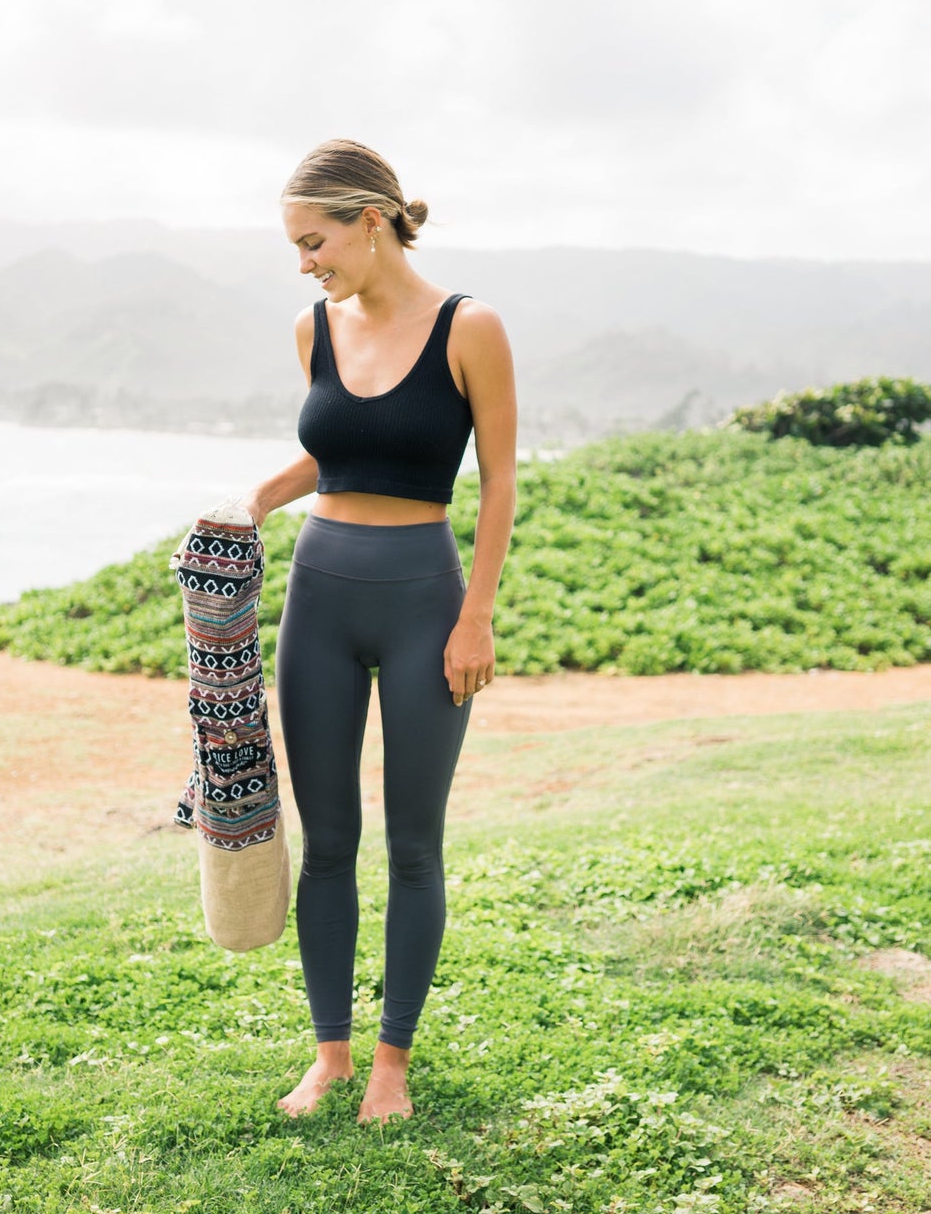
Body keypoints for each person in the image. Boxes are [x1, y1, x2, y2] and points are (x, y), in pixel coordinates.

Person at [237, 139, 518, 1123]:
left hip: (423, 604)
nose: (303, 263)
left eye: (312, 241)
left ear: (369, 221)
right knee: (329, 841)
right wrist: (251, 502)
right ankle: (330, 1055)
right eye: (294, 247)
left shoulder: (468, 327)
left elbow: (498, 481)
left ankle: (391, 1061)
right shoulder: (314, 329)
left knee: (412, 844)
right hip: (319, 596)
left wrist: (475, 616)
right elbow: (339, 452)